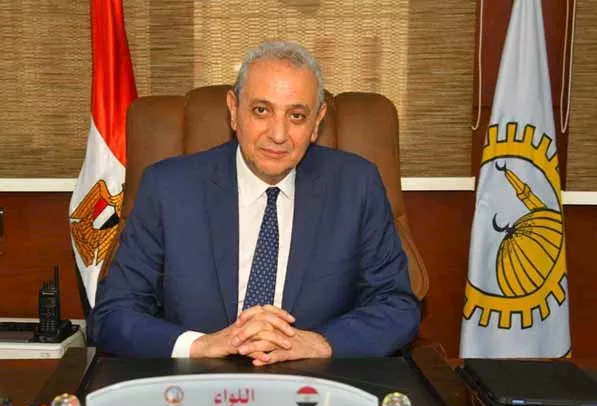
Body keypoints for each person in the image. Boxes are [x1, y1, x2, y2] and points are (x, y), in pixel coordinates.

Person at [91, 40, 421, 363]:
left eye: (297, 116)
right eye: (261, 111)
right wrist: (202, 345)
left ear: (317, 121)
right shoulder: (168, 188)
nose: (278, 135)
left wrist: (318, 344)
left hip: (312, 383)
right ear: (234, 110)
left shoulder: (356, 186)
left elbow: (397, 306)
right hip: (198, 382)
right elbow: (112, 314)